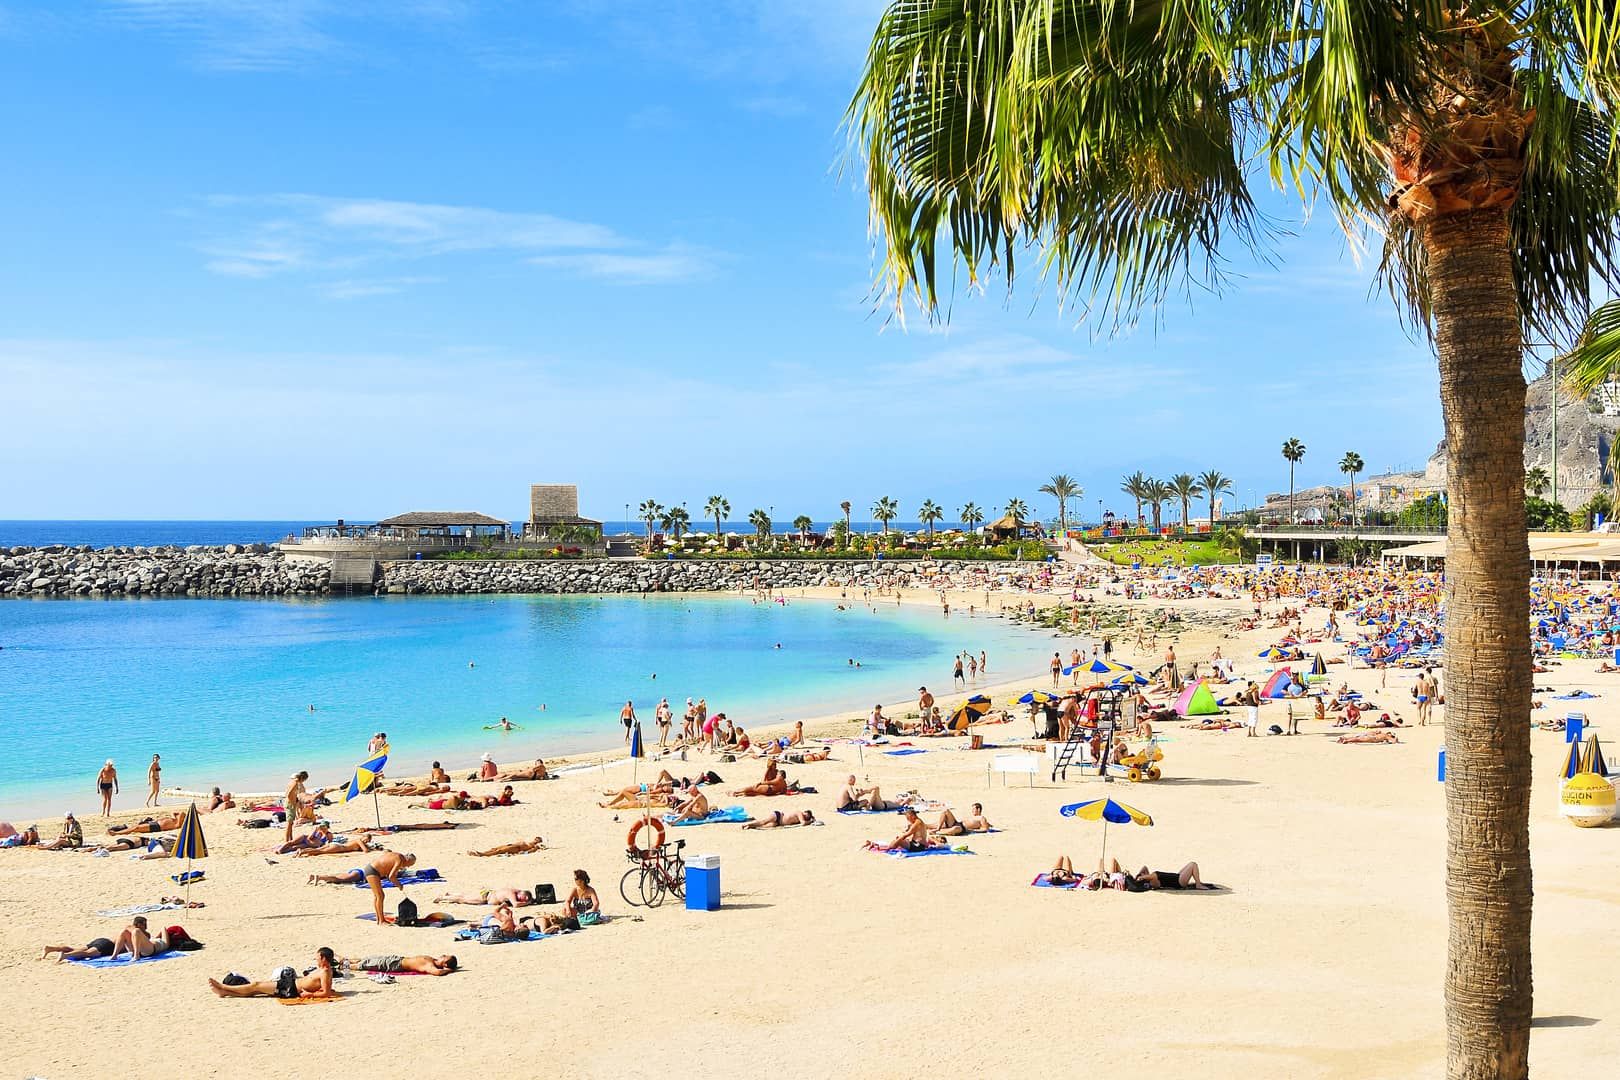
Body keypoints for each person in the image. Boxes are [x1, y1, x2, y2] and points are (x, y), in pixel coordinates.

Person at [307, 852, 417, 925]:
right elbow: (391, 876)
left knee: (378, 896)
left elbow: (385, 864)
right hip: (372, 871)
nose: (407, 867)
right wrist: (399, 885)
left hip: (372, 870)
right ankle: (381, 920)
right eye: (409, 865)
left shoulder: (396, 855)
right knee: (380, 895)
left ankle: (380, 919)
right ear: (408, 860)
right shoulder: (400, 860)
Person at [209, 948, 335, 999]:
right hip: (290, 984)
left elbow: (326, 992)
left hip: (290, 988)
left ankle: (224, 987)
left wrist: (310, 994)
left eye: (318, 958)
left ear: (324, 958)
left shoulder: (325, 972)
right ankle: (225, 992)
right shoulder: (324, 970)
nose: (316, 959)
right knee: (256, 990)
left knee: (256, 985)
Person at [864, 808, 939, 853]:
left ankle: (888, 848)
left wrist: (899, 839)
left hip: (918, 846)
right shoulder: (916, 822)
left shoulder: (917, 823)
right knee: (898, 839)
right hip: (915, 844)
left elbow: (907, 834)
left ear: (913, 816)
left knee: (899, 840)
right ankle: (887, 846)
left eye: (908, 817)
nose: (907, 819)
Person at [344, 953, 458, 976]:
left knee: (364, 965)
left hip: (394, 964)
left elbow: (437, 972)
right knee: (366, 959)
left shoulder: (430, 966)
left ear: (445, 964)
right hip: (397, 959)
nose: (443, 954)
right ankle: (343, 960)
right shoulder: (432, 960)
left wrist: (449, 970)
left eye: (445, 957)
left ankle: (342, 966)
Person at [1130, 861, 1213, 890]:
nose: (1144, 872)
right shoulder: (1153, 878)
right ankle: (1198, 884)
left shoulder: (1152, 881)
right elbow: (1144, 874)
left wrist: (1137, 875)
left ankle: (1198, 883)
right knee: (1193, 864)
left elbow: (1145, 867)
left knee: (1190, 865)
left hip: (1177, 877)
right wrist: (1140, 877)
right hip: (1179, 881)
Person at [41, 935, 117, 963]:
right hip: (108, 945)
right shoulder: (127, 937)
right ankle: (65, 955)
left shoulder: (124, 933)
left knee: (75, 949)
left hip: (102, 940)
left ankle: (51, 949)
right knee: (88, 953)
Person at [433, 887, 535, 907]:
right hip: (485, 897)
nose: (522, 900)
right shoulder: (511, 893)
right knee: (462, 900)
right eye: (523, 897)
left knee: (464, 896)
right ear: (521, 892)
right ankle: (443, 898)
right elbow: (515, 905)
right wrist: (527, 903)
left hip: (487, 894)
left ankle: (449, 894)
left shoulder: (513, 890)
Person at [109, 811, 186, 834]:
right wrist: (173, 816)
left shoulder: (178, 824)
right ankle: (121, 830)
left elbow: (181, 814)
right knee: (135, 827)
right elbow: (174, 813)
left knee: (135, 828)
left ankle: (116, 833)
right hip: (154, 823)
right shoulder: (175, 819)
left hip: (157, 827)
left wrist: (178, 816)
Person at [468, 836, 545, 857]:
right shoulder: (529, 840)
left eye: (538, 840)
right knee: (495, 849)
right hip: (512, 845)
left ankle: (482, 854)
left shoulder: (535, 846)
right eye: (536, 838)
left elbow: (529, 851)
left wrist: (523, 853)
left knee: (499, 851)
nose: (536, 840)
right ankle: (481, 853)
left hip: (516, 848)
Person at [741, 809, 816, 829]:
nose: (806, 817)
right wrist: (810, 821)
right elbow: (803, 823)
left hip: (779, 823)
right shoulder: (799, 812)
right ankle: (747, 824)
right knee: (763, 822)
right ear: (805, 812)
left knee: (763, 827)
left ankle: (750, 826)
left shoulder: (800, 819)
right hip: (779, 816)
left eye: (807, 817)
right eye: (807, 815)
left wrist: (810, 820)